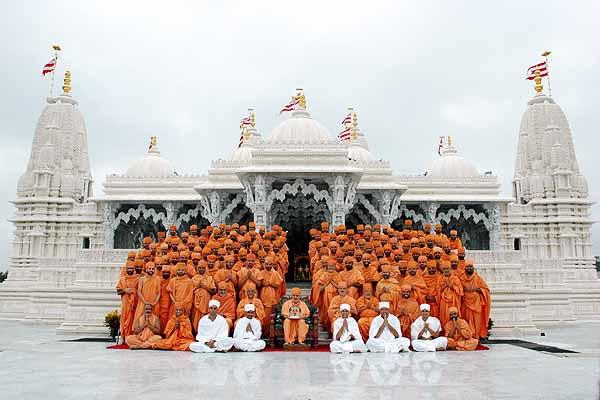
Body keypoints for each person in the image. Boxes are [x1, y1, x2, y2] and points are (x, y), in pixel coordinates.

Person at [460, 259, 491, 340]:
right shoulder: (461, 278)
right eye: (467, 267)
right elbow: (458, 290)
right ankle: (467, 337)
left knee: (477, 322)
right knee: (466, 320)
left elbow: (486, 290)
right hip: (465, 304)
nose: (469, 268)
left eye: (470, 267)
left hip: (477, 304)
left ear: (473, 267)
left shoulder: (478, 278)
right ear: (465, 268)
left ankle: (476, 337)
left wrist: (478, 289)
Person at [437, 262, 463, 330]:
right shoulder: (440, 278)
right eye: (444, 269)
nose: (446, 270)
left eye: (447, 268)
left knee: (453, 315)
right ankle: (446, 331)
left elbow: (460, 291)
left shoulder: (455, 278)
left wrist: (452, 286)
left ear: (450, 269)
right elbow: (438, 290)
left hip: (453, 301)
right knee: (444, 316)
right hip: (444, 301)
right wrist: (445, 286)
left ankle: (455, 332)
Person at [115, 263, 138, 341]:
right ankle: (123, 336)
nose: (130, 270)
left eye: (131, 268)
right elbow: (118, 292)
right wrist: (125, 290)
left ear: (134, 269)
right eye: (128, 268)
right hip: (125, 303)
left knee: (133, 319)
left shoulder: (137, 279)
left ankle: (131, 338)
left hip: (135, 303)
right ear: (126, 269)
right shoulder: (122, 279)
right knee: (124, 319)